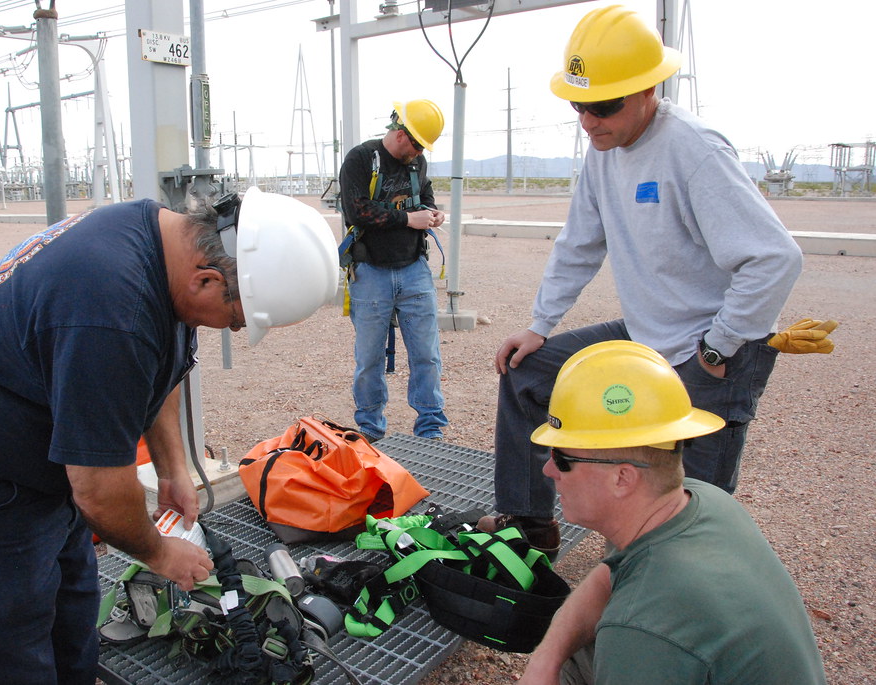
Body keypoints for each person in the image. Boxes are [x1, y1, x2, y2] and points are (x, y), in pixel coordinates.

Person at [0, 187, 338, 684]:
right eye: (238, 319)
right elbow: (100, 492)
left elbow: (166, 363)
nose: (235, 331)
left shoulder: (165, 242)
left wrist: (173, 467)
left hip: (32, 473)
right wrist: (158, 552)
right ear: (208, 279)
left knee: (71, 638)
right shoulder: (113, 307)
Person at [480, 4, 803, 558]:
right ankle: (530, 528)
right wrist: (539, 325)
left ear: (649, 90)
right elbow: (578, 244)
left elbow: (775, 259)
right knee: (527, 373)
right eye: (579, 104)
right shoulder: (603, 152)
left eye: (602, 105)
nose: (588, 119)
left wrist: (717, 345)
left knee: (687, 507)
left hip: (716, 351)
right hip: (650, 333)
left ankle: (688, 591)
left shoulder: (693, 151)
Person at [519, 340, 826, 684]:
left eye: (562, 458)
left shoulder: (642, 627)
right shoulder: (701, 500)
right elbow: (610, 575)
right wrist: (545, 659)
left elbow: (639, 619)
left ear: (622, 478)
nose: (549, 471)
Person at [339, 99, 449, 442]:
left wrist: (433, 213)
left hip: (414, 268)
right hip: (371, 271)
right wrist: (406, 219)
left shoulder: (418, 164)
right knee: (369, 359)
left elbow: (426, 197)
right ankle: (370, 430)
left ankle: (430, 428)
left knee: (426, 355)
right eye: (415, 145)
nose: (417, 153)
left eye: (422, 148)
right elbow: (356, 210)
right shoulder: (361, 159)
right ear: (400, 134)